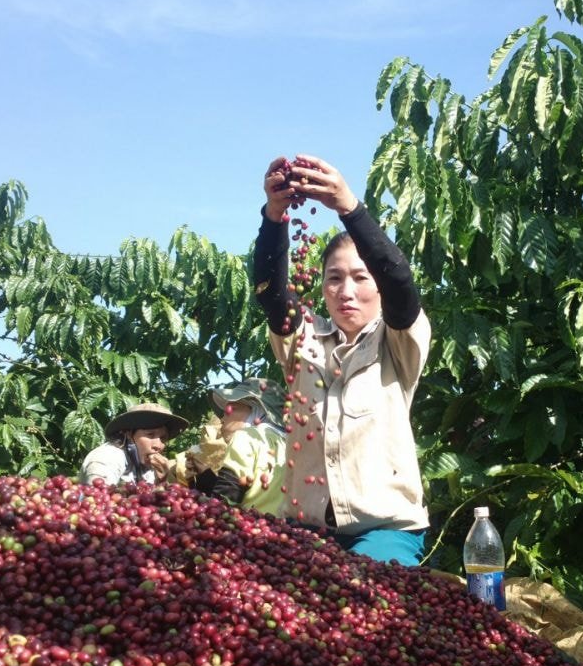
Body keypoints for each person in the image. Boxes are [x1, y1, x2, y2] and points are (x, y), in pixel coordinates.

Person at [251, 153, 430, 566]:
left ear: (378, 285)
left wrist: (348, 206)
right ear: (322, 287)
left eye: (361, 277)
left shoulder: (398, 341)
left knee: (365, 591)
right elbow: (271, 294)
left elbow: (400, 282)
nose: (346, 291)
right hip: (305, 530)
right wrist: (274, 215)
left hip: (385, 530)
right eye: (334, 278)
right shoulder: (303, 340)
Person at [172, 378, 288, 517]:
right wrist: (205, 477)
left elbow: (223, 506)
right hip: (280, 527)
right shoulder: (287, 444)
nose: (222, 419)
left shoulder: (247, 436)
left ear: (258, 411)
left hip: (252, 528)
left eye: (230, 410)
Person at [79, 402, 188, 485]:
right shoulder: (107, 458)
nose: (158, 445)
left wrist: (161, 481)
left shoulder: (148, 467)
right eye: (150, 435)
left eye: (163, 438)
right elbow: (99, 498)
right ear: (129, 435)